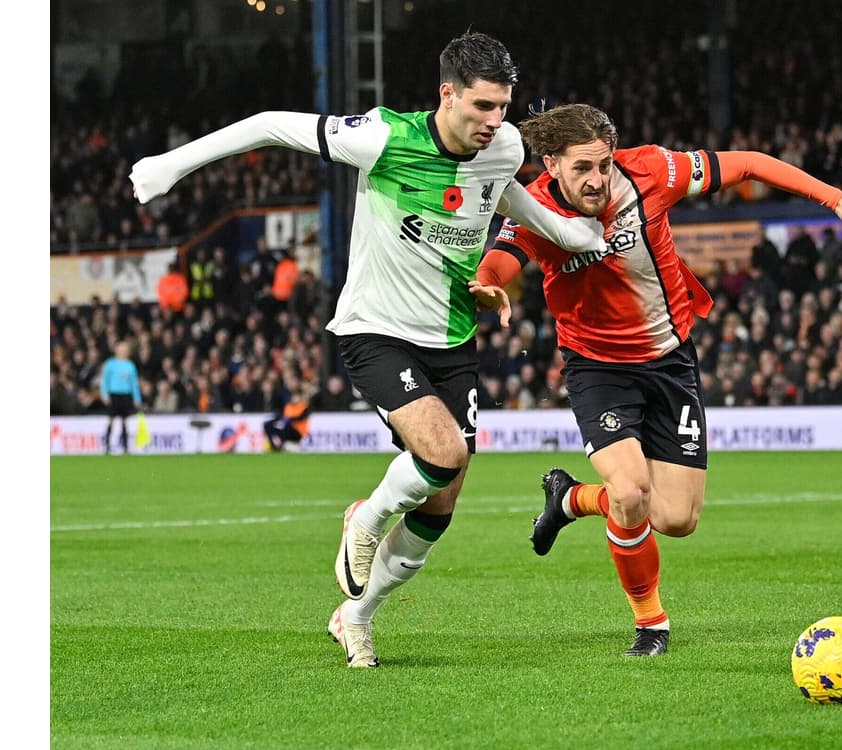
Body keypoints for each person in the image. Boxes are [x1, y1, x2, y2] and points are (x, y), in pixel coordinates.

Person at [129, 31, 607, 668]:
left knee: (442, 500)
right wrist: (171, 165)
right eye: (482, 107)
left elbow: (503, 194)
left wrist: (565, 232)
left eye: (502, 106)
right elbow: (272, 124)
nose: (495, 121)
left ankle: (355, 616)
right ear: (448, 94)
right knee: (444, 452)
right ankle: (365, 518)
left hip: (452, 337)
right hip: (375, 329)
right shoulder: (384, 138)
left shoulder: (506, 146)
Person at [473, 103, 842, 656]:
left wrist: (835, 199)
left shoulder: (651, 170)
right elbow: (503, 258)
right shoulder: (535, 208)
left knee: (675, 519)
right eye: (582, 168)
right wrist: (488, 283)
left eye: (603, 164)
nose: (597, 179)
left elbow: (746, 163)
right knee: (630, 493)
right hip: (598, 369)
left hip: (671, 362)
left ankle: (572, 498)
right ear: (550, 163)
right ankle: (651, 624)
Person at [100, 341, 142, 455]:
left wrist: (137, 398)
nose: (124, 351)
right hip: (114, 394)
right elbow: (105, 381)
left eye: (125, 349)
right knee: (111, 420)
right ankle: (107, 446)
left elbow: (134, 383)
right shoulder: (110, 364)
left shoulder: (130, 365)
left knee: (125, 421)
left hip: (126, 395)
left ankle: (126, 447)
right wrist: (104, 394)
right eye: (121, 348)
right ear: (116, 350)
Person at [264, 382, 312, 452]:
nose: (294, 398)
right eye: (293, 396)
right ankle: (274, 446)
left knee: (286, 425)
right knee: (268, 425)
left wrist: (289, 419)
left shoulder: (305, 407)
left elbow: (301, 417)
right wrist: (277, 419)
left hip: (298, 432)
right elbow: (283, 417)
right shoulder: (288, 406)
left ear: (300, 397)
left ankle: (283, 446)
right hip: (287, 429)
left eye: (296, 396)